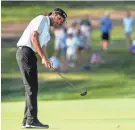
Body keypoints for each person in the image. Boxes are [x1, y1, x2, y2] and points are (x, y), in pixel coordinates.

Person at [16, 8, 67, 128]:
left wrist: (47, 60)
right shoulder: (42, 19)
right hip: (25, 51)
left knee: (31, 87)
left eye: (62, 21)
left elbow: (42, 47)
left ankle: (27, 120)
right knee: (31, 87)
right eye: (59, 19)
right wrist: (43, 58)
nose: (60, 22)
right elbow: (34, 37)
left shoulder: (48, 33)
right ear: (53, 14)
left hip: (29, 54)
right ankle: (31, 120)